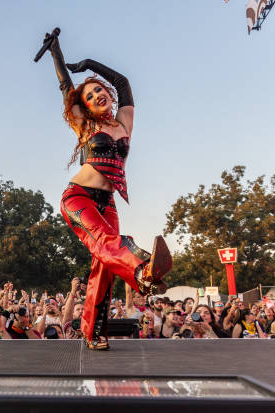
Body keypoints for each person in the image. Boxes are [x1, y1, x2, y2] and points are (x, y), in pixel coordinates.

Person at [41, 29, 172, 350]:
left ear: (109, 95)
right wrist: (56, 53)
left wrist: (90, 64)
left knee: (104, 265)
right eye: (89, 96)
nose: (97, 95)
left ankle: (93, 332)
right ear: (83, 107)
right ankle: (142, 271)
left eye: (100, 90)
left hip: (107, 203)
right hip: (78, 198)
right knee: (106, 243)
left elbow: (124, 83)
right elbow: (65, 87)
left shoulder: (124, 123)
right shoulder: (85, 125)